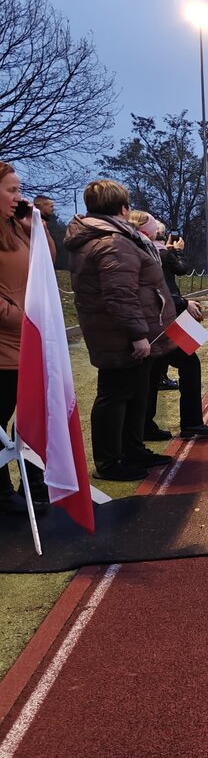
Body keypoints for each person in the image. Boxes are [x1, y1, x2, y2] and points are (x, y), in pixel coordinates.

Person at [65, 180, 174, 481]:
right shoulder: (112, 241)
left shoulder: (106, 237)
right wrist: (137, 334)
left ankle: (131, 449)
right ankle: (110, 461)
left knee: (132, 392)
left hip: (118, 329)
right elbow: (119, 293)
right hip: (119, 333)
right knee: (115, 395)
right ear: (123, 208)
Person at [129, 211, 208, 441]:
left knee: (154, 370)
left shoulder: (146, 250)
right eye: (158, 232)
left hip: (165, 315)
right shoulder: (156, 253)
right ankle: (191, 421)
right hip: (166, 317)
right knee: (189, 363)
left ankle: (146, 425)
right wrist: (177, 252)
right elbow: (171, 278)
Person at [0, 162, 54, 511]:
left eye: (19, 189)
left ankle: (33, 482)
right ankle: (3, 493)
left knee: (30, 415)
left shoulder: (14, 227)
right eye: (11, 190)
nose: (19, 197)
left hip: (27, 343)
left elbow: (47, 261)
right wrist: (21, 319)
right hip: (7, 343)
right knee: (1, 420)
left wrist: (34, 227)